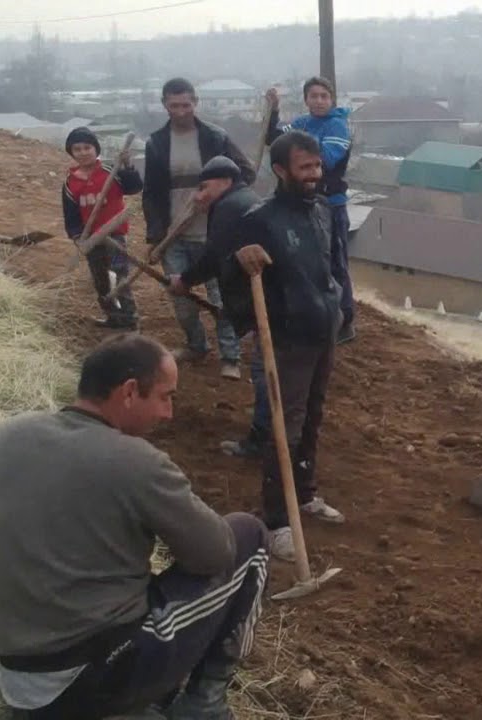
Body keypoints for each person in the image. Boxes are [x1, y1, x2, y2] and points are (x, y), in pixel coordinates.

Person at [0, 333, 270, 719]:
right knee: (248, 534)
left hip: (20, 682)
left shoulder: (8, 435)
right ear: (130, 392)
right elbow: (216, 553)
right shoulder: (136, 461)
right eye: (165, 396)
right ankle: (204, 703)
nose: (168, 413)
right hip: (89, 683)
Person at [225, 130, 347, 561]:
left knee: (312, 420)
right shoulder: (261, 220)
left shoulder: (322, 212)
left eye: (317, 166)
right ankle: (277, 521)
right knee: (284, 430)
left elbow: (334, 267)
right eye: (305, 168)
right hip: (288, 340)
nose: (314, 175)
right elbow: (232, 278)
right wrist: (241, 267)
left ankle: (307, 493)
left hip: (323, 332)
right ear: (280, 171)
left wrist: (341, 311)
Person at [143, 77, 254, 380]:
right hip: (173, 234)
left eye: (186, 104)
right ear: (164, 105)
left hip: (213, 233)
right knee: (181, 297)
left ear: (195, 103)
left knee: (222, 299)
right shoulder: (156, 143)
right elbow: (151, 194)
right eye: (174, 105)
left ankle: (230, 356)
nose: (180, 111)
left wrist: (222, 196)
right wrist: (155, 235)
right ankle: (196, 345)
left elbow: (246, 172)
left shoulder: (215, 137)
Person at [168, 156, 270, 460]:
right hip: (272, 297)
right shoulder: (249, 199)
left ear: (224, 181)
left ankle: (261, 442)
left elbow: (214, 256)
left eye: (204, 187)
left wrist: (184, 281)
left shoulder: (228, 207)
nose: (199, 196)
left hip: (269, 303)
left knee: (265, 372)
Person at [264, 77, 357, 345]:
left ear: (332, 99)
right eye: (313, 96)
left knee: (336, 263)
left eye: (323, 96)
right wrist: (273, 112)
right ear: (306, 99)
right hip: (301, 203)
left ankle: (345, 319)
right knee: (307, 261)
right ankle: (315, 315)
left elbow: (324, 160)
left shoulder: (337, 126)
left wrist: (294, 155)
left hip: (331, 204)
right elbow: (276, 141)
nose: (318, 101)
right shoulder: (302, 124)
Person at [62, 126, 143, 330]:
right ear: (71, 152)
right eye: (77, 149)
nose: (83, 152)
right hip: (91, 239)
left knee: (118, 274)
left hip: (115, 237)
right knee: (100, 278)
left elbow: (134, 187)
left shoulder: (111, 171)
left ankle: (129, 318)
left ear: (96, 149)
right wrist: (77, 236)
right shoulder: (70, 183)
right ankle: (112, 316)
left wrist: (127, 166)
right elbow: (71, 216)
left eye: (87, 147)